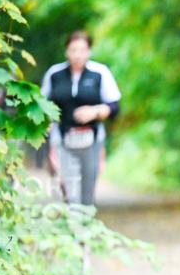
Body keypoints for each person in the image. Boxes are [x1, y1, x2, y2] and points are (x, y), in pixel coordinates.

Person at [42, 31, 122, 206]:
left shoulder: (100, 73)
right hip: (62, 138)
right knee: (69, 189)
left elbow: (115, 107)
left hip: (92, 139)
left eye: (82, 50)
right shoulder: (54, 74)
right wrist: (45, 127)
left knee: (87, 189)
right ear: (66, 52)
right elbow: (42, 106)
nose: (77, 55)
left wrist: (95, 111)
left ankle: (85, 223)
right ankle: (73, 224)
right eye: (73, 50)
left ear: (89, 51)